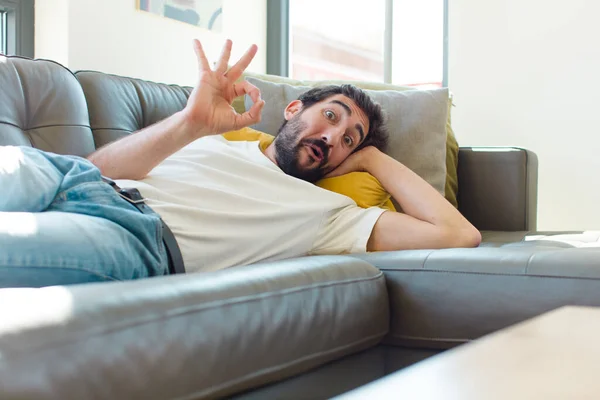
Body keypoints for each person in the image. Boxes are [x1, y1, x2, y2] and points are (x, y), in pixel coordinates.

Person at [0, 39, 481, 288]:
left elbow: (459, 234)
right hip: (70, 177)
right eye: (330, 116)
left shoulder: (330, 215)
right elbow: (98, 166)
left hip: (136, 237)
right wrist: (189, 123)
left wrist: (372, 158)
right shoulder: (218, 136)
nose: (333, 136)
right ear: (294, 110)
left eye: (347, 139)